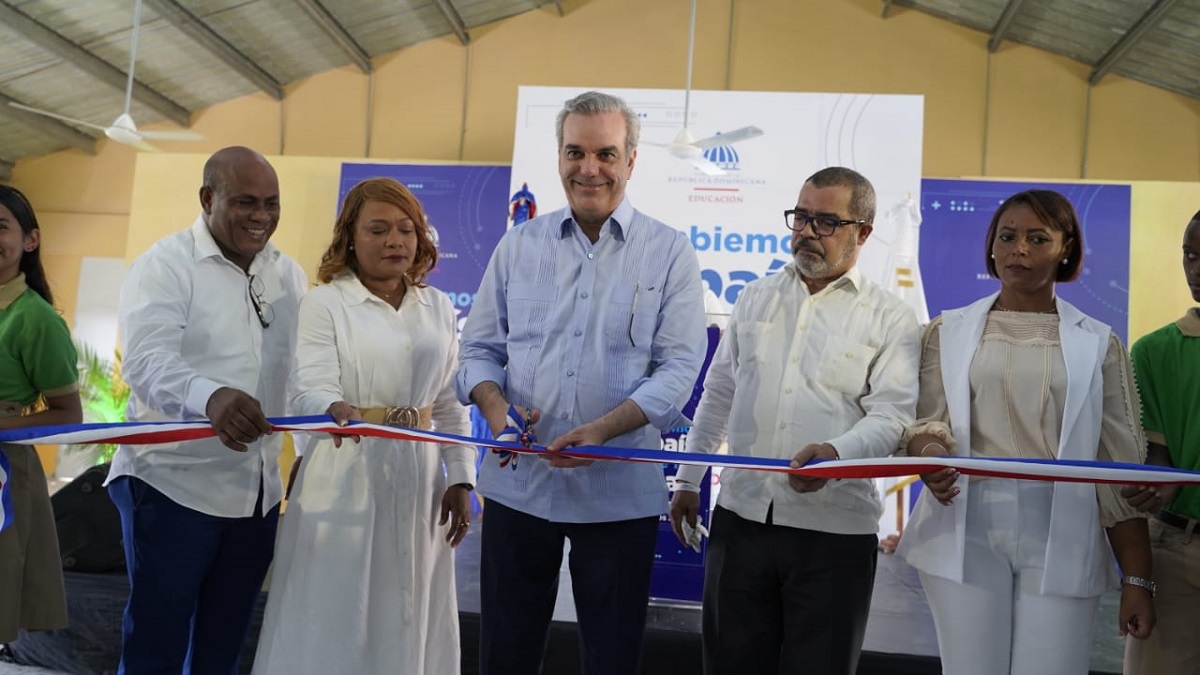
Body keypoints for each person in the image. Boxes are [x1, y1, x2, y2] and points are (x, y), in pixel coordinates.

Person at [457, 90, 707, 675]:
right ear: (559, 155)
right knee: (505, 654)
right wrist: (494, 408)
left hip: (619, 497)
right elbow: (478, 350)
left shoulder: (670, 253)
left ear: (632, 161)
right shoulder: (519, 245)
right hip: (520, 489)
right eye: (575, 152)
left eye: (605, 154)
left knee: (613, 658)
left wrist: (602, 430)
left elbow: (677, 371)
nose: (588, 168)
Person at [669, 166, 921, 674]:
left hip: (834, 533)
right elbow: (719, 395)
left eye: (826, 221)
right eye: (801, 217)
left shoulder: (891, 318)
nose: (806, 231)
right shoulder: (756, 297)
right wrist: (689, 480)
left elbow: (894, 417)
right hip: (742, 520)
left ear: (863, 233)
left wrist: (835, 454)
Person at [897, 189, 1154, 675]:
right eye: (1008, 236)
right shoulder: (945, 331)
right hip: (963, 524)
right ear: (991, 247)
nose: (1019, 249)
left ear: (1066, 249)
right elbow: (921, 424)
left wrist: (1139, 579)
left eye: (1038, 238)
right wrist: (928, 451)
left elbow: (1119, 471)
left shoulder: (1100, 343)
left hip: (1065, 530)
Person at [252, 177, 475, 674]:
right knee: (336, 611)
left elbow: (447, 401)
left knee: (410, 607)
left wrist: (461, 476)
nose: (395, 241)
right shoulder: (325, 303)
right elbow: (307, 384)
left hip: (420, 479)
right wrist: (331, 407)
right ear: (350, 236)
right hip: (344, 469)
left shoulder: (437, 307)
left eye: (406, 229)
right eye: (378, 229)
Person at [106, 146, 307, 673]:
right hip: (171, 484)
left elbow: (300, 376)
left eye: (272, 203)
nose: (262, 217)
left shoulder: (289, 275)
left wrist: (309, 454)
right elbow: (146, 363)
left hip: (257, 493)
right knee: (157, 642)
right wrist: (211, 396)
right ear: (207, 198)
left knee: (224, 644)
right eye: (246, 202)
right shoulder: (164, 266)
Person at [0, 186, 82, 655]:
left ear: (30, 241)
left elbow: (69, 414)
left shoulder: (36, 319)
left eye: (1, 227)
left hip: (4, 476)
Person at [1121, 210, 1200, 675]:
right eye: (1190, 255)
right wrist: (1154, 484)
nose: (1196, 269)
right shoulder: (1153, 350)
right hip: (1175, 547)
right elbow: (1158, 456)